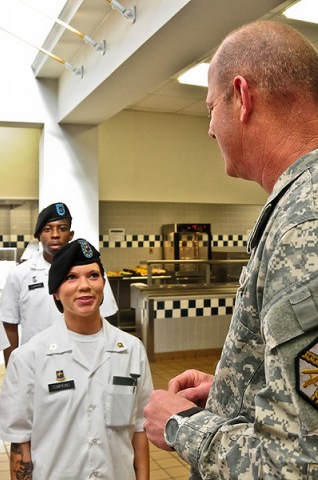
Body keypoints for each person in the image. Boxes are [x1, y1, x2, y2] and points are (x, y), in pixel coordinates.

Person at [143, 20, 318, 479]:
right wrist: (230, 391)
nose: (209, 129)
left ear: (241, 97)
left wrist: (182, 426)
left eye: (210, 108)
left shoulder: (305, 222)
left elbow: (296, 463)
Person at [0, 238, 153, 479]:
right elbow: (21, 442)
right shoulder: (29, 358)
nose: (84, 286)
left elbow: (139, 428)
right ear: (56, 293)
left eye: (93, 275)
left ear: (103, 285)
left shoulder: (132, 350)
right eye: (71, 277)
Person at [0, 202, 118, 365]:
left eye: (62, 228)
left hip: (83, 361)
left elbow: (105, 318)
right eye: (47, 229)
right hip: (36, 361)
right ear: (38, 235)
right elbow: (9, 323)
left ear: (71, 234)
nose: (55, 235)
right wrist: (12, 368)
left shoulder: (91, 273)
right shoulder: (19, 274)